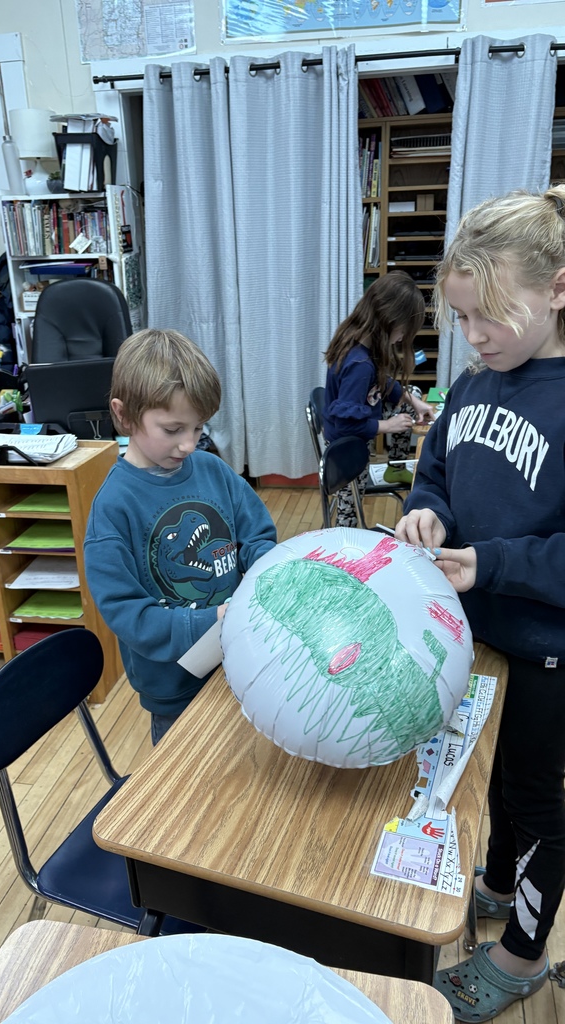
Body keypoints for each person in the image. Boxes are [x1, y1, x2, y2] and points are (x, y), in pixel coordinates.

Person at [395, 186, 565, 1022]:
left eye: (490, 317)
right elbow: (438, 475)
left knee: (537, 802)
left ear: (558, 290)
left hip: (545, 649)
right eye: (460, 319)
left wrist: (490, 561)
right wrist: (427, 507)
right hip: (476, 639)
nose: (474, 337)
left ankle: (522, 957)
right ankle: (497, 883)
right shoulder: (470, 384)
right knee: (490, 783)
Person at [84, 328, 277, 745]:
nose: (189, 444)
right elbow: (129, 615)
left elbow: (257, 536)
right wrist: (209, 622)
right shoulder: (113, 508)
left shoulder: (214, 471)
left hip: (243, 666)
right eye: (172, 429)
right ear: (124, 415)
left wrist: (271, 574)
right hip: (174, 694)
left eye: (198, 427)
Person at [322, 271, 435, 528]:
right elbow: (345, 426)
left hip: (353, 432)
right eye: (404, 331)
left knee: (412, 394)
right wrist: (388, 426)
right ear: (389, 319)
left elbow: (380, 385)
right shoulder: (359, 365)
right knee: (348, 512)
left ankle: (395, 465)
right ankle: (344, 553)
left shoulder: (362, 343)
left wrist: (411, 400)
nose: (403, 338)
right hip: (346, 447)